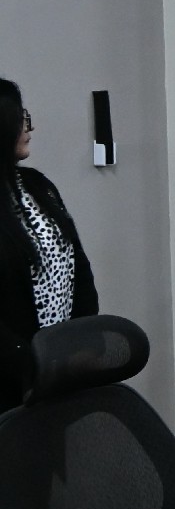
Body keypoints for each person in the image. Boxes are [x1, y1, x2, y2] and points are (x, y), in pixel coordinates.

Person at [0, 78, 96, 412]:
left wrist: (81, 345)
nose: (29, 127)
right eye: (20, 118)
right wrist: (32, 364)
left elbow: (78, 265)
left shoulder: (38, 186)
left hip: (64, 372)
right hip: (14, 384)